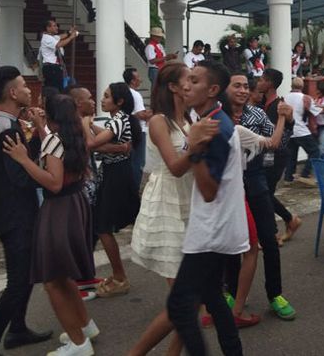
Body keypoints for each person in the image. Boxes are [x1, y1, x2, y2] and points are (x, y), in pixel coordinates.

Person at [127, 63, 218, 356]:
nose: (192, 84)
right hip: (167, 204)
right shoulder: (159, 122)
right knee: (185, 300)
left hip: (187, 203)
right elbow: (176, 168)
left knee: (188, 301)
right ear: (173, 87)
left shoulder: (189, 119)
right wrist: (195, 145)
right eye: (187, 80)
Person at [2, 92, 98, 356]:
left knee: (52, 281)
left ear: (51, 115)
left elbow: (53, 182)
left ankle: (79, 344)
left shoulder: (55, 141)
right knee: (63, 275)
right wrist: (43, 129)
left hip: (59, 210)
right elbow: (58, 153)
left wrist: (22, 158)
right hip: (75, 204)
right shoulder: (76, 135)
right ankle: (85, 327)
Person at [166, 59, 246, 356]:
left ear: (213, 90)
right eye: (187, 79)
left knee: (178, 306)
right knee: (212, 297)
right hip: (218, 226)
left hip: (212, 230)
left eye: (195, 81)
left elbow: (209, 191)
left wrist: (195, 149)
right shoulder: (211, 119)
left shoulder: (213, 127)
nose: (186, 85)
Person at [0, 66, 52, 356]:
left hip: (14, 212)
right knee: (17, 283)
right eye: (23, 85)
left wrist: (33, 138)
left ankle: (17, 329)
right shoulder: (7, 129)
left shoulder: (9, 124)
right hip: (15, 216)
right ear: (12, 93)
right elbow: (21, 176)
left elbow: (22, 161)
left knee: (25, 277)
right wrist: (48, 176)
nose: (28, 89)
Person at [223, 72, 296, 322]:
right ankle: (230, 292)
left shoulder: (256, 114)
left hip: (255, 181)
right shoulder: (216, 116)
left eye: (246, 86)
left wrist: (290, 120)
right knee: (232, 242)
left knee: (269, 239)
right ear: (224, 88)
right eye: (237, 86)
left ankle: (275, 294)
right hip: (227, 187)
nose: (243, 90)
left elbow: (280, 141)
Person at [83, 83, 142, 297]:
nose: (102, 99)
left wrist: (84, 123)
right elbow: (107, 137)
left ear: (119, 102)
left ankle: (119, 276)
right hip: (116, 172)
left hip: (116, 175)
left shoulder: (118, 120)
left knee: (103, 226)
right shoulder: (120, 120)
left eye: (107, 96)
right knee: (111, 223)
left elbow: (90, 144)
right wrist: (92, 127)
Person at [255, 68, 301, 242]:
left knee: (265, 194)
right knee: (265, 193)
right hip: (265, 156)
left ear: (269, 84)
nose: (259, 82)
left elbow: (284, 131)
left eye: (262, 80)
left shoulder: (279, 105)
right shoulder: (263, 104)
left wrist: (288, 120)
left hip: (277, 155)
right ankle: (289, 221)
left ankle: (276, 230)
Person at [283, 77, 322, 184]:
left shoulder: (285, 98)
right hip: (301, 130)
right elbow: (317, 111)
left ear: (292, 86)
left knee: (291, 155)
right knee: (315, 151)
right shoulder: (305, 98)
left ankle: (288, 177)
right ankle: (305, 174)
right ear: (302, 86)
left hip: (289, 130)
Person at [123, 68, 153, 187]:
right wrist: (151, 113)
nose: (140, 80)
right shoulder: (135, 94)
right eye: (138, 77)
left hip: (127, 130)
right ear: (133, 81)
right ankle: (134, 189)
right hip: (138, 130)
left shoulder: (124, 92)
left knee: (130, 160)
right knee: (138, 162)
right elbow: (141, 115)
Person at [40, 19, 78, 91]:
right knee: (55, 89)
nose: (57, 27)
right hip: (51, 68)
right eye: (54, 26)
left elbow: (60, 37)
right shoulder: (47, 38)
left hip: (55, 67)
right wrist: (71, 37)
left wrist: (70, 32)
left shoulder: (52, 37)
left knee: (58, 88)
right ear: (48, 28)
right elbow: (59, 44)